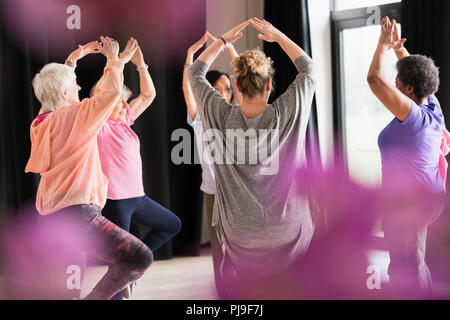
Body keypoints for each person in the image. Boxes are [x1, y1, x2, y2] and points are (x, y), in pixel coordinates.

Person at [188, 18, 317, 298]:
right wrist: (278, 34)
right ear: (269, 83)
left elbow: (195, 73)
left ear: (237, 84)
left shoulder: (219, 114)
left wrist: (222, 42)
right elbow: (309, 69)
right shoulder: (285, 112)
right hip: (289, 229)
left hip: (239, 233)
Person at [25, 36, 153, 300]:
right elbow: (111, 94)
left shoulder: (39, 124)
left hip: (50, 217)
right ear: (64, 93)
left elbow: (55, 97)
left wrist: (71, 63)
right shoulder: (79, 116)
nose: (80, 86)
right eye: (75, 85)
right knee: (140, 258)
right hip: (79, 215)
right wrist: (113, 60)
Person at [92, 38, 182, 300]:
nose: (123, 106)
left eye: (124, 103)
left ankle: (132, 269)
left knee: (170, 224)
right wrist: (115, 61)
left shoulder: (125, 122)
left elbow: (148, 95)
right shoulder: (100, 127)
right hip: (116, 201)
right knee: (119, 258)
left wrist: (141, 65)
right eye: (119, 102)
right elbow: (104, 97)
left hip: (138, 198)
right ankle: (122, 282)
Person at [367, 17, 445, 296]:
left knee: (406, 267)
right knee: (410, 262)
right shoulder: (432, 106)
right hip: (424, 198)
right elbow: (418, 74)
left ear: (409, 89)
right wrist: (399, 50)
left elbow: (374, 80)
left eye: (398, 82)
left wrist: (382, 45)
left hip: (410, 205)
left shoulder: (413, 119)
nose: (394, 86)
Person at [182, 31, 242, 293]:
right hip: (213, 190)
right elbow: (187, 85)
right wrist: (189, 55)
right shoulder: (199, 116)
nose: (223, 93)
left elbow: (244, 81)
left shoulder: (236, 113)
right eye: (217, 88)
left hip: (239, 190)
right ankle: (223, 290)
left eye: (227, 89)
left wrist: (229, 48)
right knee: (219, 246)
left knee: (240, 244)